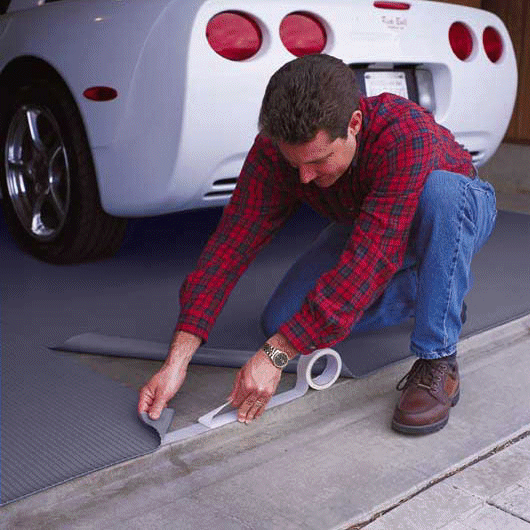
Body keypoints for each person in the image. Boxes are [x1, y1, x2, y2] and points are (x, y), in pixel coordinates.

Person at [138, 54, 497, 435]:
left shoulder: (404, 133)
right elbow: (231, 245)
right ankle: (438, 295)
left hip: (455, 214)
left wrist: (275, 356)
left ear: (353, 124)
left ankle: (437, 357)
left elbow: (370, 259)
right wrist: (177, 360)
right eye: (295, 165)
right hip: (371, 223)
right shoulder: (275, 151)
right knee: (282, 321)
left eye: (319, 161)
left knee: (441, 193)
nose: (305, 178)